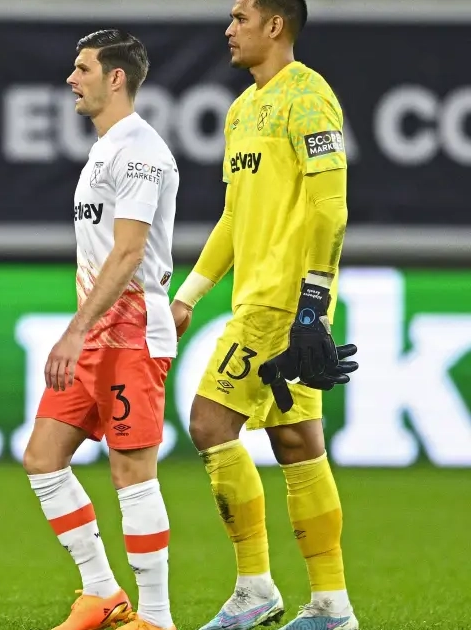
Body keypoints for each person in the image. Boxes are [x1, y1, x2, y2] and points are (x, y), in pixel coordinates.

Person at [170, 1, 360, 629]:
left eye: (241, 17)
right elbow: (233, 217)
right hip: (260, 296)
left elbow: (330, 206)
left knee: (209, 423)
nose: (229, 29)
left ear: (275, 25)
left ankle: (255, 588)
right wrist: (189, 295)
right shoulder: (241, 110)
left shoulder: (308, 97)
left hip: (283, 301)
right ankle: (332, 605)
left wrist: (313, 302)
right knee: (297, 443)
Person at [22, 30, 180, 630]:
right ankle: (102, 593)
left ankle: (157, 618)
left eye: (83, 68)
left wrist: (74, 330)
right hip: (97, 337)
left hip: (132, 337)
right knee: (43, 458)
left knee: (131, 474)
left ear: (116, 78)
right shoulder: (105, 151)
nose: (71, 78)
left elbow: (129, 252)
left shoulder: (139, 151)